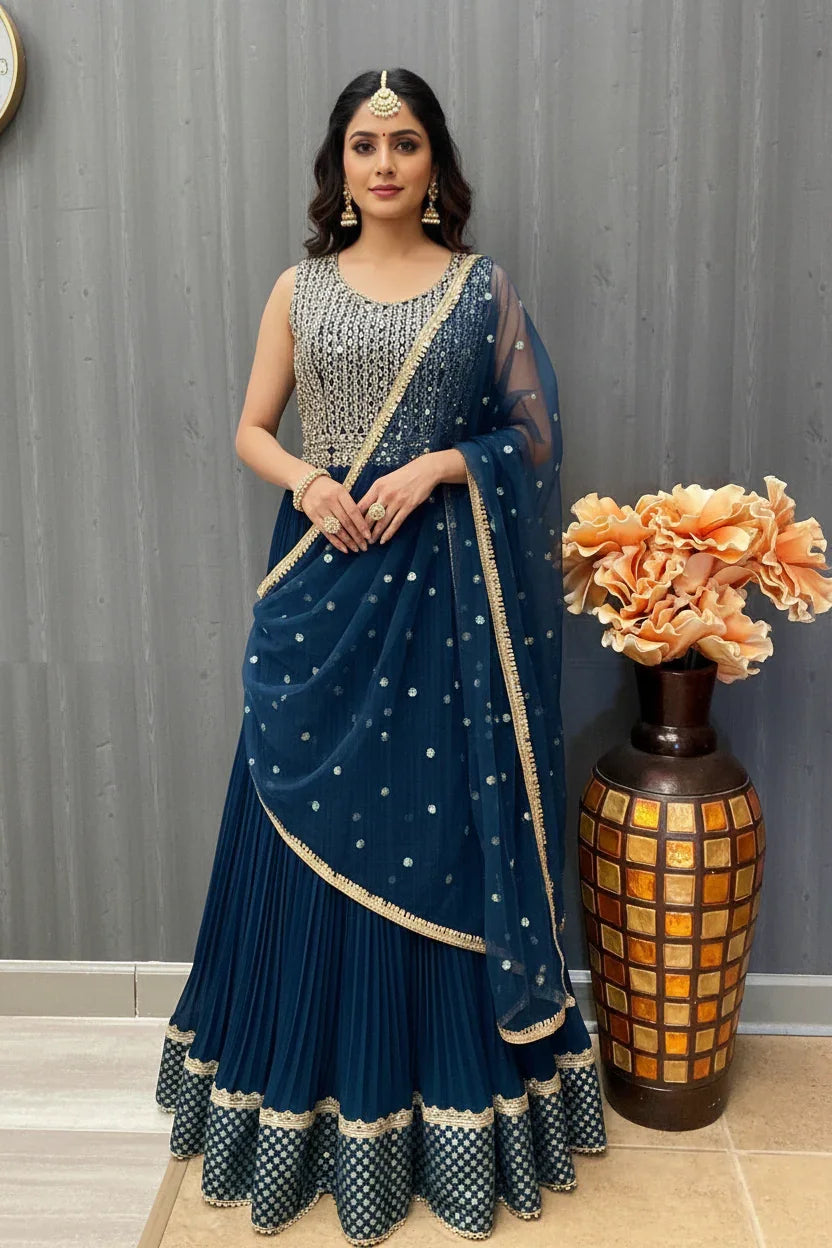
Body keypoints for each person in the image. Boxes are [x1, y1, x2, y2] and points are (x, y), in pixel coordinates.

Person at [154, 66, 607, 1244]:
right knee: (301, 829)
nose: (386, 163)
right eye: (365, 144)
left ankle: (451, 1103)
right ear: (339, 167)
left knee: (437, 829)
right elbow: (253, 428)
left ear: (435, 164)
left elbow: (535, 434)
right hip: (323, 600)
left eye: (405, 143)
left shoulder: (480, 291)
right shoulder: (297, 291)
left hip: (443, 613)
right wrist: (311, 477)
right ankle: (296, 1111)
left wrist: (440, 466)